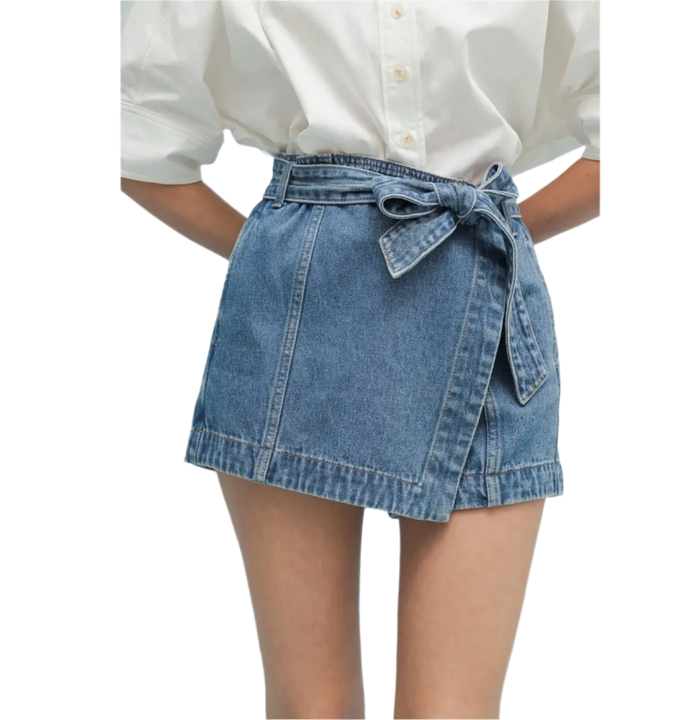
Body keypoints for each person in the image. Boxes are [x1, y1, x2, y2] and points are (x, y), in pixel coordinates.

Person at [117, 1, 603, 718]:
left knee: (453, 712)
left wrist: (491, 241)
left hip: (487, 299)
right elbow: (143, 153)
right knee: (311, 708)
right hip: (296, 307)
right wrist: (284, 259)